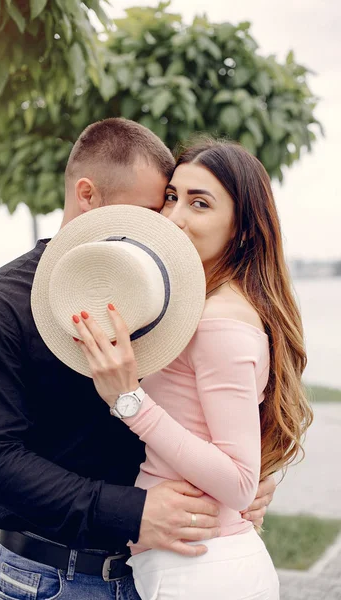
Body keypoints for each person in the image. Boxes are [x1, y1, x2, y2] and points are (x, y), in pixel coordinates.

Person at [0, 120, 275, 600]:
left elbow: (219, 401)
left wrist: (255, 476)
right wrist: (133, 511)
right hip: (54, 578)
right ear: (88, 195)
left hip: (158, 571)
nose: (165, 225)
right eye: (154, 208)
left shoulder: (167, 293)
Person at [71, 138, 313, 599]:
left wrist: (130, 401)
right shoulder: (195, 307)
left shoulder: (219, 320)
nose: (175, 217)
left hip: (205, 570)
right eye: (172, 197)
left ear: (241, 229)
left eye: (199, 203)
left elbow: (239, 483)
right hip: (193, 564)